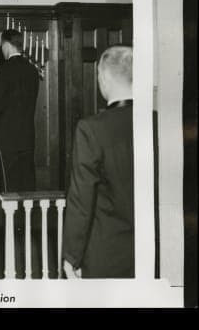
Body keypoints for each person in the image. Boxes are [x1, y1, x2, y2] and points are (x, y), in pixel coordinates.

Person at [62, 46, 134, 279]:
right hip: (152, 255)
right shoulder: (158, 123)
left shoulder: (91, 129)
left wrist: (72, 256)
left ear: (104, 79)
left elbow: (81, 201)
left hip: (106, 256)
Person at [0, 28, 40, 192]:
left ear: (7, 45)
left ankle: (12, 218)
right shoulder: (32, 70)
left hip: (7, 139)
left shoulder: (3, 70)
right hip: (27, 137)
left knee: (9, 188)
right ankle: (29, 217)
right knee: (27, 184)